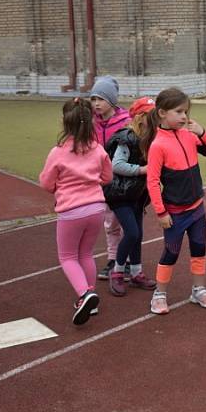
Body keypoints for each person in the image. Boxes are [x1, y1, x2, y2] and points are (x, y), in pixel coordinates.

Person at [140, 87, 206, 314]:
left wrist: (202, 132)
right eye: (179, 111)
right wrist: (161, 213)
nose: (184, 116)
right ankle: (160, 294)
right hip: (174, 213)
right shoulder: (158, 145)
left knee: (199, 248)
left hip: (196, 209)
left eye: (186, 111)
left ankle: (198, 290)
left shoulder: (189, 135)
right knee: (171, 252)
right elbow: (152, 182)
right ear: (162, 113)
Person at [39, 98, 113, 325]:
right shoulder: (98, 149)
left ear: (65, 123)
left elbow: (46, 182)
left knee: (68, 256)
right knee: (86, 254)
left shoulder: (58, 153)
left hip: (71, 210)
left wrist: (60, 187)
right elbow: (107, 177)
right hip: (96, 208)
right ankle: (88, 301)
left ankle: (85, 294)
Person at [104, 97, 158, 296]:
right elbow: (116, 165)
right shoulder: (127, 137)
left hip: (136, 194)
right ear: (142, 118)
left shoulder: (150, 138)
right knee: (132, 233)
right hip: (119, 193)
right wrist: (142, 170)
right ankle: (117, 272)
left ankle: (136, 272)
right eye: (153, 116)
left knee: (138, 235)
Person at [90, 76, 132, 281]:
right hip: (103, 182)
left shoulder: (126, 121)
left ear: (112, 100)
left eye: (101, 99)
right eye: (93, 99)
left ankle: (129, 259)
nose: (96, 103)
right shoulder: (91, 123)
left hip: (124, 181)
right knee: (110, 222)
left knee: (127, 222)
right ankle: (113, 258)